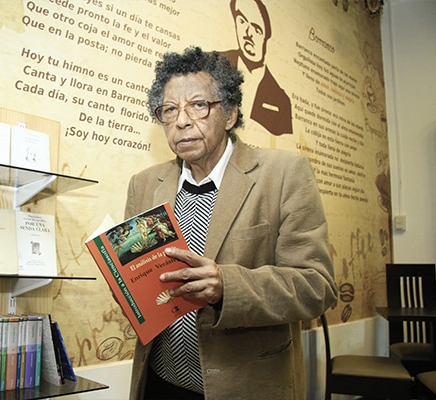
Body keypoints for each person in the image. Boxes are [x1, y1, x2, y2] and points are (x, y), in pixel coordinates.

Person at [124, 46, 337, 399]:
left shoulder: (284, 174)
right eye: (169, 109)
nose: (181, 121)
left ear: (230, 113)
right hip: (159, 382)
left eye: (198, 105)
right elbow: (137, 281)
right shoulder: (144, 184)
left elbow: (317, 286)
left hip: (245, 386)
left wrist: (228, 286)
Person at [220, 0, 293, 136]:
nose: (248, 33)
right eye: (242, 21)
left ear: (266, 36)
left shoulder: (281, 100)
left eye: (256, 28)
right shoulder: (211, 64)